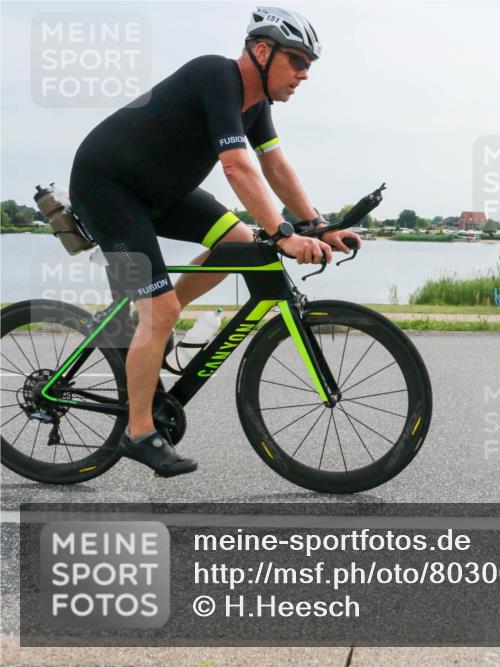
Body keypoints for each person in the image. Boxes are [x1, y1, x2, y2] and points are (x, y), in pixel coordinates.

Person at [68, 7, 360, 478]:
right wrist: (283, 235)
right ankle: (138, 432)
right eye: (298, 61)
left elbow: (276, 168)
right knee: (159, 309)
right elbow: (236, 166)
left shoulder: (257, 105)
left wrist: (318, 226)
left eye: (309, 65)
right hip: (108, 190)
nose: (304, 74)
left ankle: (153, 333)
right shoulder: (216, 75)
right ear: (262, 52)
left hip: (163, 193)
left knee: (239, 244)